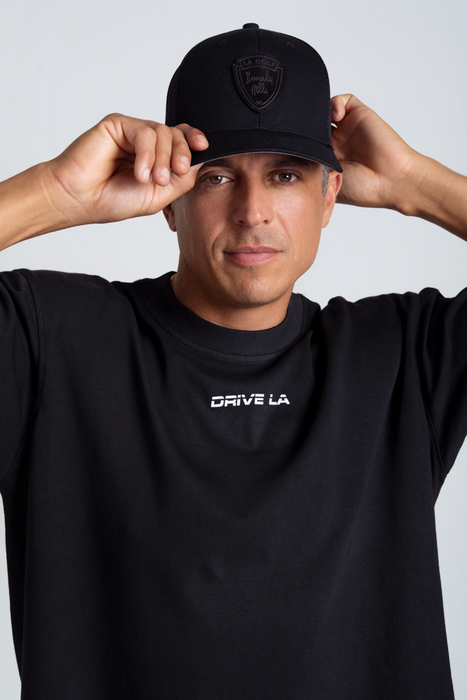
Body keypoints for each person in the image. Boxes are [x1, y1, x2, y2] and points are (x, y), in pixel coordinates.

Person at [1, 23, 466, 700]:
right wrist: (55, 193)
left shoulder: (401, 354)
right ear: (170, 200)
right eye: (216, 176)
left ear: (329, 195)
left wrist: (414, 183)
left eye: (286, 175)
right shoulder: (49, 340)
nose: (252, 213)